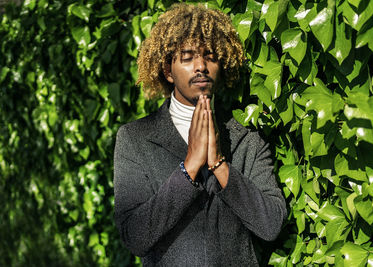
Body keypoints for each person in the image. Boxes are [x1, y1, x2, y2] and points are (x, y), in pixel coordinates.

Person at [113, 3, 286, 266]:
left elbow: (271, 224)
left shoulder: (248, 141)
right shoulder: (135, 139)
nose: (201, 66)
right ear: (168, 71)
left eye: (211, 56)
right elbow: (135, 236)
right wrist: (189, 167)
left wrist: (219, 165)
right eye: (188, 56)